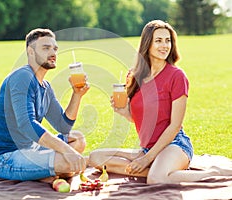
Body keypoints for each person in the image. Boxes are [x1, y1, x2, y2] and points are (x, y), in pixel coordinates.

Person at [89, 20, 232, 183]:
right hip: (147, 148)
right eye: (158, 41)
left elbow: (175, 125)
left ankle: (216, 173)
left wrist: (146, 159)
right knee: (96, 157)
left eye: (167, 40)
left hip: (174, 145)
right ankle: (159, 170)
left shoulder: (176, 76)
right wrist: (124, 112)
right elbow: (142, 118)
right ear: (147, 44)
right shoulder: (134, 76)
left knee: (156, 179)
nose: (164, 45)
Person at [0, 28, 90, 182]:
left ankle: (46, 173)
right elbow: (26, 124)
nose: (52, 52)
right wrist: (67, 152)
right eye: (45, 48)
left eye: (54, 48)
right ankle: (51, 171)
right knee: (67, 163)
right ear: (31, 51)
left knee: (78, 139)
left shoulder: (45, 86)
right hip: (4, 158)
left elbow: (63, 126)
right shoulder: (22, 77)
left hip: (31, 149)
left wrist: (77, 95)